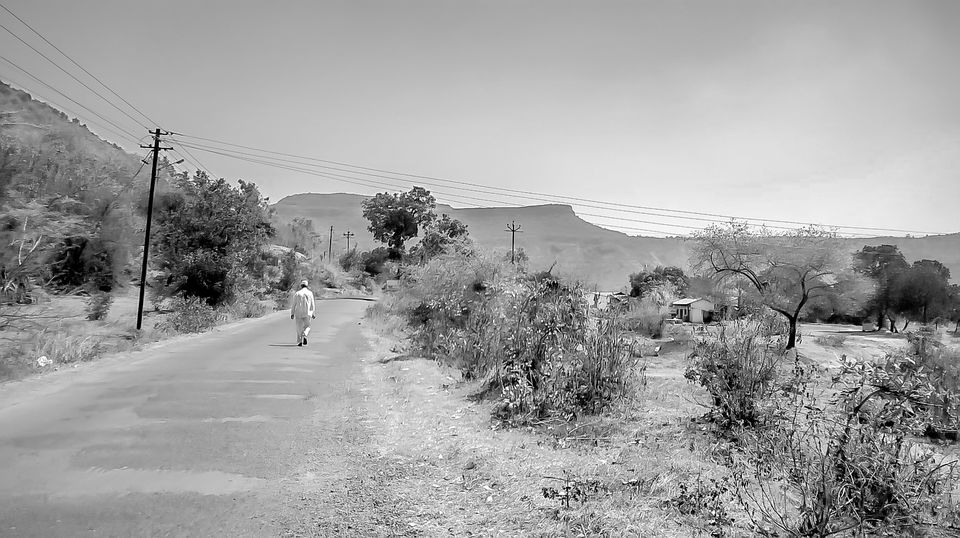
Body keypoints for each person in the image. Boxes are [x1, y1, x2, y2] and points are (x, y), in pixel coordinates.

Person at [290, 279, 316, 346]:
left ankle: (299, 341)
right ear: (307, 286)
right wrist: (313, 313)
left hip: (298, 312)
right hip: (308, 312)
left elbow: (294, 304)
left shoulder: (297, 293)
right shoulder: (310, 293)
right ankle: (305, 334)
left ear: (301, 286)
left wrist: (292, 313)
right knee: (307, 326)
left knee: (299, 327)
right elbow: (313, 304)